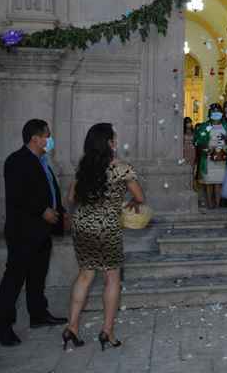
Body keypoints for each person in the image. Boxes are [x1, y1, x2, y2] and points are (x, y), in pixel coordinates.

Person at [63, 123, 144, 351]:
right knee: (112, 278)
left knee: (85, 276)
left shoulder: (84, 166)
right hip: (107, 228)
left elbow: (71, 197)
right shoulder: (121, 168)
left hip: (82, 226)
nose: (116, 143)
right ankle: (107, 332)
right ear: (109, 143)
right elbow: (139, 196)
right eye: (114, 139)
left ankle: (72, 327)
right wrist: (129, 202)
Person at [0, 120, 67, 347]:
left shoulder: (42, 161)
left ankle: (38, 314)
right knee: (14, 279)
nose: (50, 140)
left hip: (42, 231)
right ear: (35, 138)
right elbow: (18, 195)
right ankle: (3, 326)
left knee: (37, 276)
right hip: (23, 231)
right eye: (47, 135)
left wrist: (60, 213)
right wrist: (42, 211)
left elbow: (50, 191)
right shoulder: (16, 161)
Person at [194, 104, 227, 209]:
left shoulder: (226, 126)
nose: (216, 113)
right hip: (208, 157)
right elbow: (197, 141)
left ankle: (217, 203)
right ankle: (210, 204)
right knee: (209, 182)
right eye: (214, 111)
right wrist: (206, 148)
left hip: (222, 157)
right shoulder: (205, 126)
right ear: (210, 113)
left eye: (218, 111)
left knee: (219, 182)